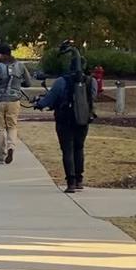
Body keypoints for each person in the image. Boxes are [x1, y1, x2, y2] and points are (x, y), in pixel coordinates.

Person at [35, 44, 97, 193]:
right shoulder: (91, 82)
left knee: (67, 150)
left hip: (64, 120)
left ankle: (71, 182)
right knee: (79, 147)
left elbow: (49, 100)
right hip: (83, 119)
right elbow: (92, 98)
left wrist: (39, 104)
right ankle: (79, 179)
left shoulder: (62, 82)